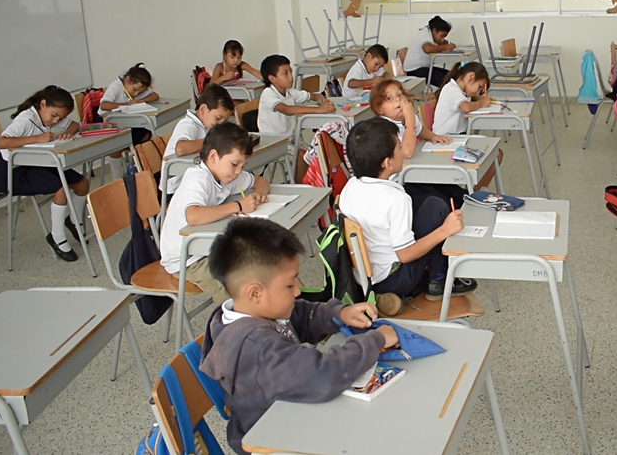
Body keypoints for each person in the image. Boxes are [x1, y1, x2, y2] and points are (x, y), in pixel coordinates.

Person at [199, 217, 397, 455]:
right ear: (255, 292)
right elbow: (323, 375)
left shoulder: (248, 311)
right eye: (290, 285)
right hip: (275, 441)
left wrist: (339, 313)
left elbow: (300, 315)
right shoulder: (256, 347)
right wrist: (375, 340)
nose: (298, 290)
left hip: (292, 415)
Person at [339, 117, 476, 316]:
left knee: (423, 203)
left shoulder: (349, 187)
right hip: (396, 276)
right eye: (399, 147)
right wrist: (444, 230)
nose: (403, 151)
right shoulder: (394, 198)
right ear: (387, 162)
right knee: (436, 206)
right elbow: (406, 255)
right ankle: (438, 281)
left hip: (364, 277)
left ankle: (384, 295)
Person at [160, 122, 270, 304]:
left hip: (210, 246)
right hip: (188, 259)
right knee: (238, 287)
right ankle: (236, 327)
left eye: (243, 166)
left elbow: (260, 180)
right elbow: (193, 216)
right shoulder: (198, 178)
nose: (238, 172)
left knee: (264, 266)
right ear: (213, 156)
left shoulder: (225, 174)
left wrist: (260, 194)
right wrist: (238, 206)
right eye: (235, 164)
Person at [0, 86, 87, 261]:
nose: (56, 120)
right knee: (61, 187)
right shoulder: (26, 119)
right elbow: (1, 143)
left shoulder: (48, 117)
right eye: (54, 115)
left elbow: (75, 125)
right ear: (42, 104)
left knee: (82, 183)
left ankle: (74, 221)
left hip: (37, 164)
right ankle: (57, 237)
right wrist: (37, 138)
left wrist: (66, 134)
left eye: (60, 117)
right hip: (14, 171)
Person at [370, 79, 462, 210]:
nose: (397, 100)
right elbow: (406, 152)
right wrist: (409, 119)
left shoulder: (407, 118)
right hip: (398, 183)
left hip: (413, 174)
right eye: (389, 98)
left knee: (455, 192)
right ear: (380, 109)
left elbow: (419, 130)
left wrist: (433, 136)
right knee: (440, 200)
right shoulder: (383, 128)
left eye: (400, 94)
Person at [431, 62, 503, 191]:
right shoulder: (451, 89)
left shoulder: (459, 91)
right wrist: (481, 102)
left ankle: (475, 192)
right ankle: (474, 194)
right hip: (446, 142)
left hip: (457, 139)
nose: (478, 92)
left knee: (496, 152)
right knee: (495, 154)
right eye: (479, 87)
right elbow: (465, 107)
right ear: (471, 76)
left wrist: (477, 99)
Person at [162, 84, 235, 194]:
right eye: (218, 118)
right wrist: (214, 141)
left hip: (194, 180)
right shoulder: (188, 124)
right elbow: (180, 149)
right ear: (203, 109)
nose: (221, 124)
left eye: (225, 120)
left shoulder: (206, 125)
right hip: (176, 188)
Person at [256, 54, 336, 136]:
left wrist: (319, 98)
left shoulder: (290, 92)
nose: (291, 77)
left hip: (289, 139)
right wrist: (319, 109)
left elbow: (311, 96)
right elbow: (286, 110)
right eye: (285, 73)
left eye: (291, 71)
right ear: (272, 79)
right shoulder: (268, 94)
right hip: (272, 142)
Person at [99, 63, 159, 145]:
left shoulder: (135, 90)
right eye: (134, 90)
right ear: (127, 80)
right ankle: (120, 153)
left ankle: (133, 153)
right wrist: (127, 104)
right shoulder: (116, 86)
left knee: (146, 134)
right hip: (106, 122)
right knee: (128, 137)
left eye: (140, 92)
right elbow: (104, 105)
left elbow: (155, 96)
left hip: (123, 121)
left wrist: (141, 101)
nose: (136, 94)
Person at [403, 16, 456, 86]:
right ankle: (439, 95)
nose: (443, 39)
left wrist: (448, 43)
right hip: (414, 70)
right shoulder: (425, 34)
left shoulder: (430, 33)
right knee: (446, 81)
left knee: (451, 76)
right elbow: (427, 49)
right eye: (442, 36)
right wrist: (445, 47)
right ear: (434, 31)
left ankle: (439, 94)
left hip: (423, 68)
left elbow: (440, 42)